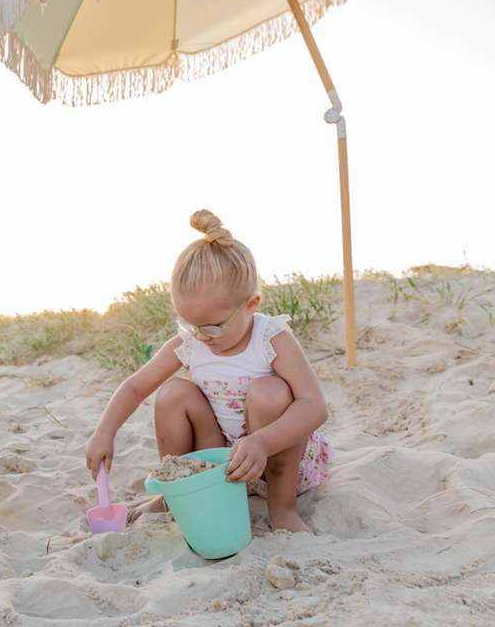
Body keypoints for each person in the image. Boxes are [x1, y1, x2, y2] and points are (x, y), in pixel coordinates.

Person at [85, 210, 332, 534]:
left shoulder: (270, 338)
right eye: (190, 324)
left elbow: (314, 406)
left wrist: (262, 442)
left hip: (279, 458)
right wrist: (105, 431)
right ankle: (175, 491)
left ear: (251, 304)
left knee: (268, 392)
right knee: (173, 392)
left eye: (213, 327)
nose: (201, 336)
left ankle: (283, 509)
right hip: (221, 461)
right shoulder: (192, 342)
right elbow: (135, 387)